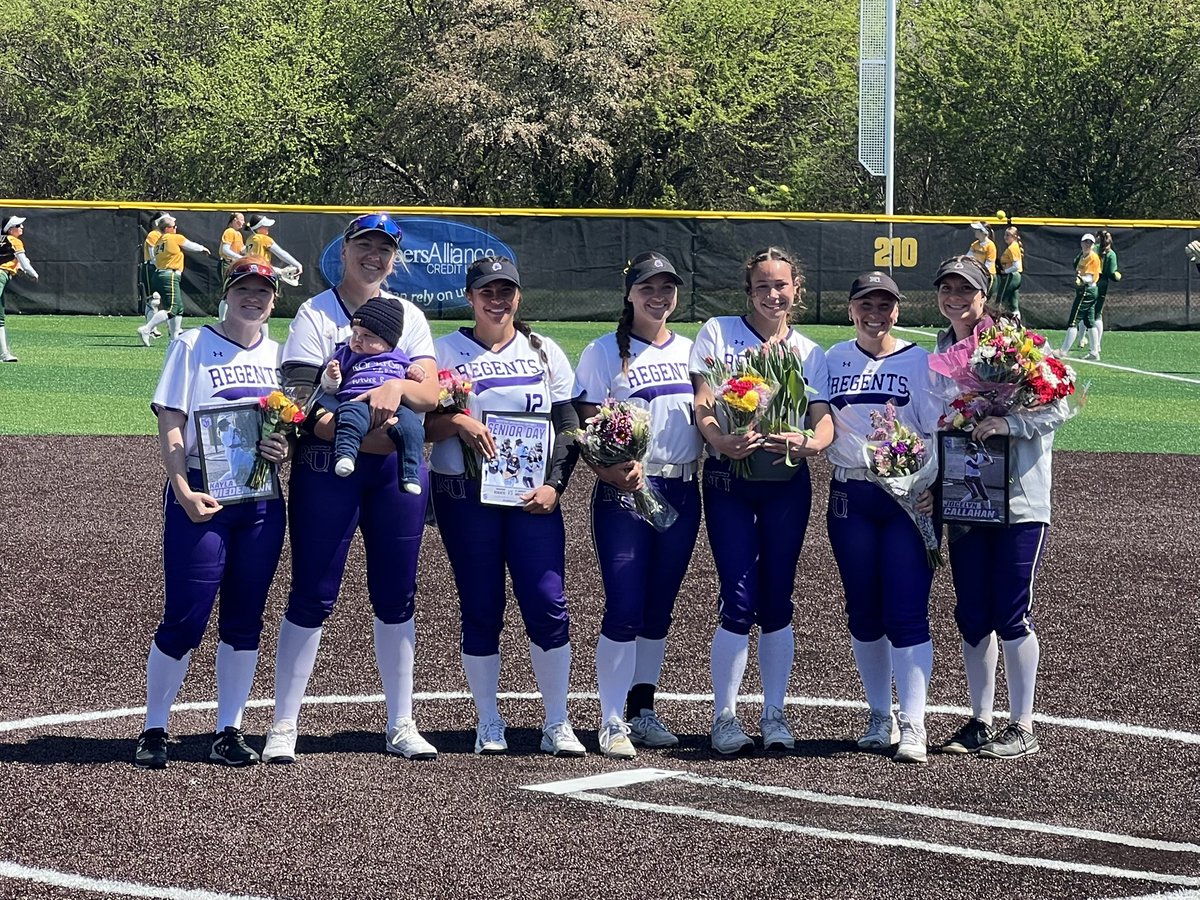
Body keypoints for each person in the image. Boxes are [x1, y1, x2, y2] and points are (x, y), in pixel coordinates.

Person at [262, 213, 441, 764]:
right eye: (365, 245)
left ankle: (401, 721)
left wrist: (393, 383)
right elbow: (297, 401)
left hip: (390, 471)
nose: (374, 256)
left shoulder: (407, 314)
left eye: (384, 249)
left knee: (397, 592)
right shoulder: (316, 313)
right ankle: (284, 722)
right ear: (345, 249)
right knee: (312, 591)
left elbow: (430, 392)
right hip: (327, 465)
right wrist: (363, 427)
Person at [133, 258, 291, 769]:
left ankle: (229, 729)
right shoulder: (192, 344)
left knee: (245, 616)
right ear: (228, 293)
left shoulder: (281, 354)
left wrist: (280, 445)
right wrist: (180, 488)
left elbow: (286, 425)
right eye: (244, 288)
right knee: (186, 614)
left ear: (273, 299)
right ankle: (155, 726)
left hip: (260, 498)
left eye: (263, 291)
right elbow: (172, 422)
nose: (254, 297)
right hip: (202, 490)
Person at [426, 255, 584, 758]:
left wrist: (556, 485)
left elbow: (568, 427)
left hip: (530, 499)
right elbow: (421, 428)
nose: (498, 300)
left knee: (547, 603)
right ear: (470, 297)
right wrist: (458, 423)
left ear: (519, 296)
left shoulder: (543, 350)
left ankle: (557, 721)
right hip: (465, 499)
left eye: (507, 291)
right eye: (487, 292)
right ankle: (488, 718)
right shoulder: (443, 351)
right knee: (480, 605)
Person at [688, 246, 834, 754]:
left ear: (797, 289)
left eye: (781, 285)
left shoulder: (810, 351)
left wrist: (811, 444)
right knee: (738, 595)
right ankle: (724, 717)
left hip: (786, 485)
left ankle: (774, 713)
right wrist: (719, 440)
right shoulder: (718, 332)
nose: (773, 295)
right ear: (747, 291)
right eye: (762, 286)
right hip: (730, 478)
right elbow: (704, 401)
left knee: (777, 599)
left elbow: (823, 419)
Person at [933, 254, 1069, 759]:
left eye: (965, 290)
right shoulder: (943, 348)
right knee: (971, 611)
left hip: (1018, 498)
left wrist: (1007, 424)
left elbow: (1058, 402)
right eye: (947, 289)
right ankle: (980, 720)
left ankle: (1024, 724)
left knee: (1012, 610)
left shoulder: (1017, 343)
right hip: (969, 495)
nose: (955, 298)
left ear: (983, 295)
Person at [574, 251, 704, 759]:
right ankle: (610, 719)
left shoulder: (692, 351)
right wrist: (609, 467)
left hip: (681, 489)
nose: (659, 296)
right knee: (625, 604)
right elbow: (586, 425)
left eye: (667, 287)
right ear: (629, 293)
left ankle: (642, 710)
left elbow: (709, 417)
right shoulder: (605, 351)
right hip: (624, 494)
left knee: (659, 606)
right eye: (648, 287)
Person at [824, 271, 942, 765]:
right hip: (851, 495)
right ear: (850, 309)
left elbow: (937, 431)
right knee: (864, 612)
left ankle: (913, 722)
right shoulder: (832, 359)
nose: (877, 313)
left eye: (886, 304)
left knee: (907, 610)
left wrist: (926, 483)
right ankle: (879, 714)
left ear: (899, 309)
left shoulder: (923, 360)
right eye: (866, 304)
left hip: (906, 500)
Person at [317, 295, 426, 493]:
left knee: (413, 428)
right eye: (355, 333)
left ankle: (410, 473)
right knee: (348, 419)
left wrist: (416, 372)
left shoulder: (398, 355)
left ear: (388, 342)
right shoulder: (346, 354)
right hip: (357, 400)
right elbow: (328, 388)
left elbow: (413, 377)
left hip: (395, 407)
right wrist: (331, 377)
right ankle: (345, 456)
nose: (358, 340)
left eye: (368, 336)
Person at [138, 215, 211, 346]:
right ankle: (147, 329)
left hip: (161, 274)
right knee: (171, 309)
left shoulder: (159, 241)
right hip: (169, 275)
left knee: (178, 308)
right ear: (167, 228)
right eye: (173, 226)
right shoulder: (174, 237)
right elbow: (190, 245)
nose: (176, 228)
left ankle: (174, 337)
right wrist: (202, 248)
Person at [0, 215, 39, 362]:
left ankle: (4, 354)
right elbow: (25, 263)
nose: (21, 227)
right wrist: (33, 274)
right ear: (10, 229)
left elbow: (20, 263)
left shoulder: (4, 241)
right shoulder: (15, 241)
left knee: (0, 319)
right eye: (18, 226)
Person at [1061, 233, 1101, 355]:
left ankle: (1063, 351)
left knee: (1073, 321)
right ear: (1081, 243)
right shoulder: (1082, 256)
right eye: (1085, 242)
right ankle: (1094, 352)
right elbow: (1078, 269)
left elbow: (1090, 277)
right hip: (1085, 290)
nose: (1087, 244)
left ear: (1093, 245)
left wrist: (1081, 279)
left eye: (1090, 242)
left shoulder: (1093, 257)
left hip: (1087, 290)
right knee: (1089, 321)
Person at [1083, 229, 1120, 360]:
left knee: (1089, 313)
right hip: (1101, 284)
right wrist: (1116, 275)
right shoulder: (1111, 254)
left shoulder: (1095, 250)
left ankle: (1093, 346)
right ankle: (1096, 346)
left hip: (1091, 282)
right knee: (1097, 315)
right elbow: (1111, 272)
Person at [139, 213, 167, 341]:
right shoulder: (153, 235)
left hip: (160, 268)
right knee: (153, 299)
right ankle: (150, 329)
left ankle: (153, 328)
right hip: (151, 267)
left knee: (160, 300)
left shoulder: (165, 236)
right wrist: (159, 266)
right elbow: (153, 254)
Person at [216, 212, 247, 319]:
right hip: (227, 263)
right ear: (234, 220)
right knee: (226, 292)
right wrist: (240, 258)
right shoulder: (229, 231)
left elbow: (242, 249)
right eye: (241, 219)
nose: (244, 222)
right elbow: (225, 250)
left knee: (233, 290)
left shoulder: (238, 234)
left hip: (235, 264)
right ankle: (222, 320)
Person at [997, 226, 1024, 320]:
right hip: (1015, 276)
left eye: (1008, 235)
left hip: (1011, 276)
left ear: (1015, 236)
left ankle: (999, 323)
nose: (1005, 237)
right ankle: (1017, 325)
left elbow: (1016, 266)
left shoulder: (1012, 247)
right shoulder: (1013, 246)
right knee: (1013, 303)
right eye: (1005, 235)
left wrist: (1005, 271)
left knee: (1001, 301)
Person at [968, 222, 998, 299]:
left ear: (983, 232)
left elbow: (989, 264)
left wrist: (979, 271)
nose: (975, 231)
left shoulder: (990, 246)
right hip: (978, 274)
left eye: (977, 230)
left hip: (988, 276)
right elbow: (968, 257)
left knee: (984, 299)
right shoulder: (975, 244)